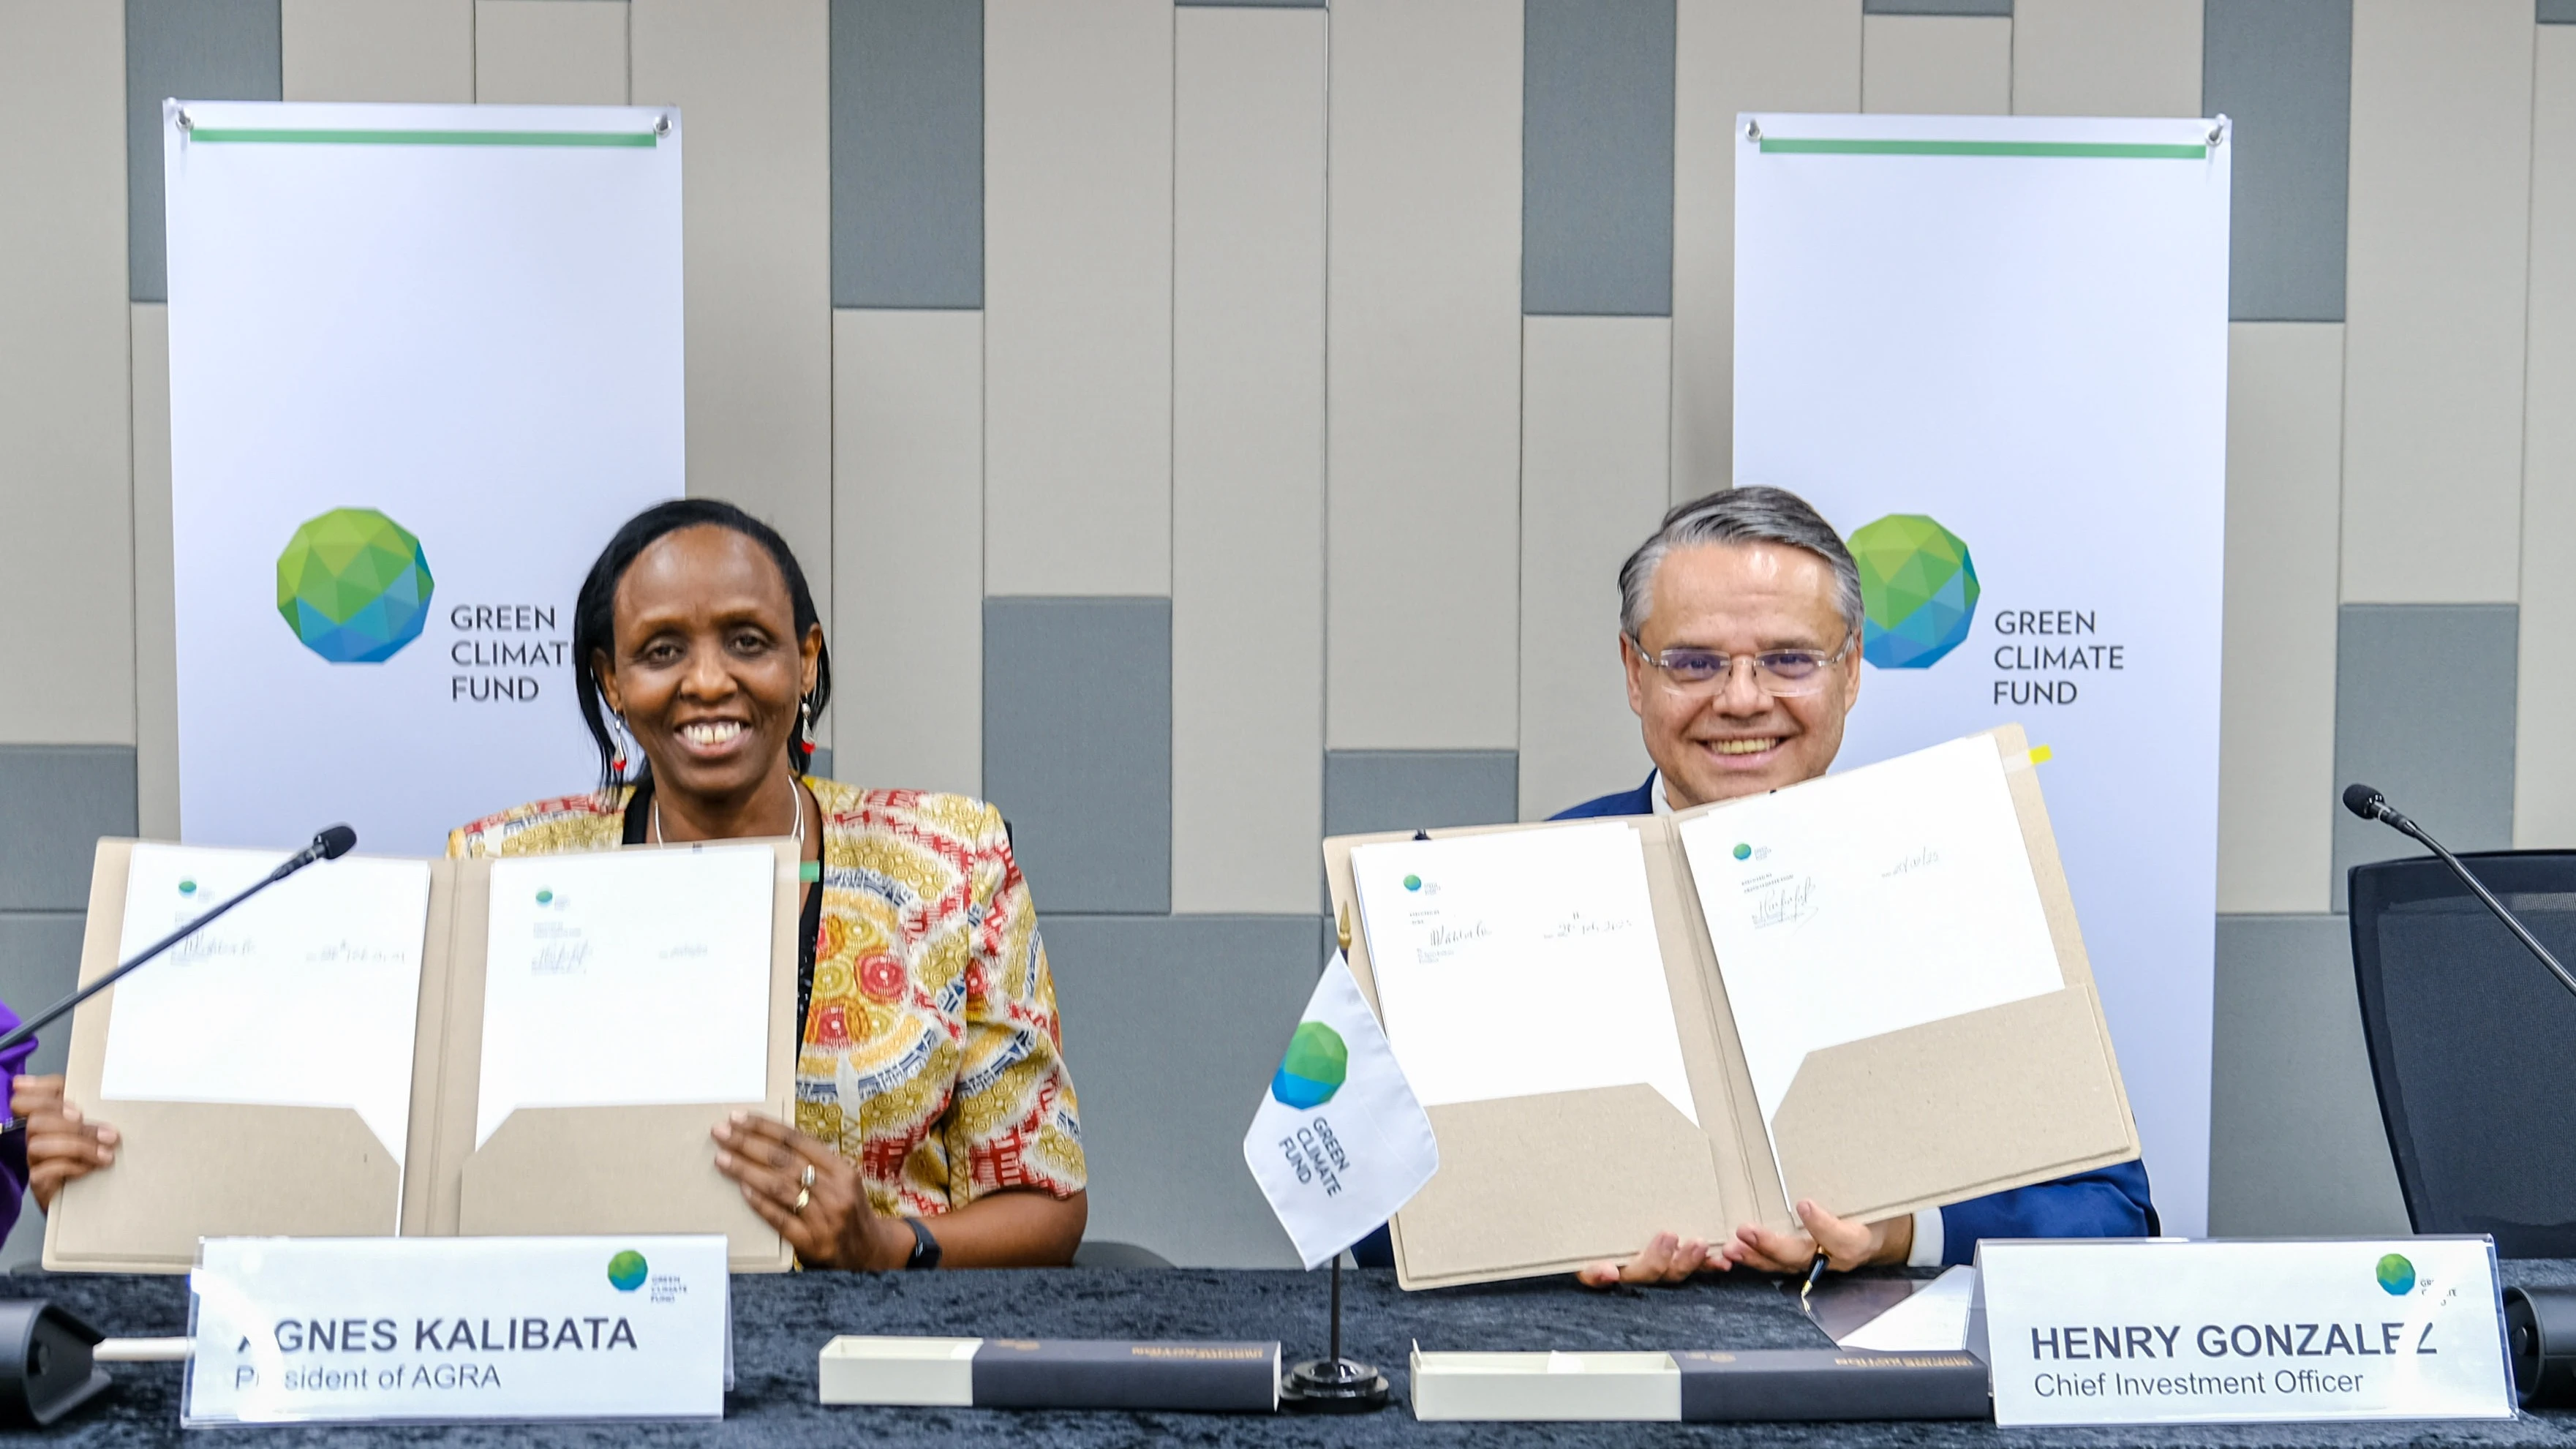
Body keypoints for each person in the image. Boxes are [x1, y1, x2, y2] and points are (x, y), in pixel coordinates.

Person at [20, 499, 1088, 1271]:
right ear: (609, 682)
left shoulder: (953, 861)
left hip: (878, 1363)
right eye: (662, 648)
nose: (709, 679)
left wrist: (887, 1244)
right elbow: (394, 1152)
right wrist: (123, 1142)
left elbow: (1047, 1202)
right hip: (580, 1348)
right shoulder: (503, 865)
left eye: (749, 642)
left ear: (806, 662)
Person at [1353, 486, 2154, 1283]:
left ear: (1851, 672)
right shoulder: (1492, 901)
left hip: (1886, 1388)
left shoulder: (1965, 878)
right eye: (1695, 662)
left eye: (1790, 660)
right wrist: (1558, 1243)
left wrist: (1901, 1233)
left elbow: (2113, 1215)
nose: (1741, 700)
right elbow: (1374, 1223)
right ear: (1636, 674)